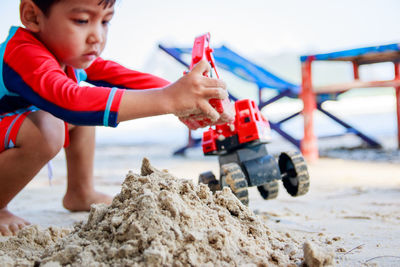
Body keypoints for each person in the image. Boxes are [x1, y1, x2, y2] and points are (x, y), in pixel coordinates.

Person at [0, 0, 233, 236]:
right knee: (52, 125)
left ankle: (81, 191)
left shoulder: (66, 57)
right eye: (82, 21)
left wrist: (188, 96)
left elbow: (126, 79)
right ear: (33, 16)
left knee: (86, 108)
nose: (97, 36)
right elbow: (71, 101)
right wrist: (169, 99)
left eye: (105, 21)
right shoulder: (22, 52)